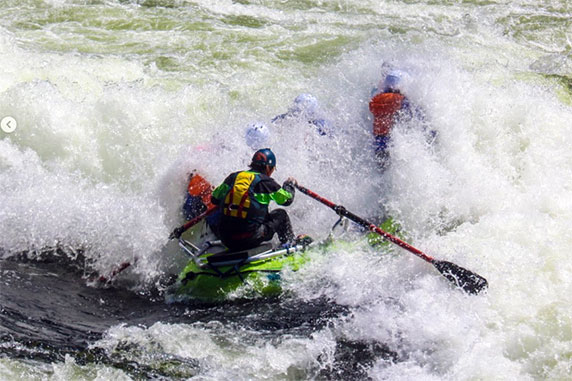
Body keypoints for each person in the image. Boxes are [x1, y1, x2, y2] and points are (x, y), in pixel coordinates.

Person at [210, 148, 297, 251]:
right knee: (280, 214)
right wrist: (289, 185)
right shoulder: (266, 183)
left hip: (225, 239)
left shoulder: (233, 177)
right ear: (268, 168)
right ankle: (289, 244)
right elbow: (287, 200)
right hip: (249, 239)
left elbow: (214, 199)